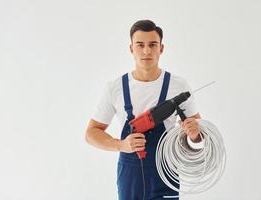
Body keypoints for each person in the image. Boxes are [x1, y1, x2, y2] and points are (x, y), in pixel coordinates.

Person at [85, 19, 202, 200]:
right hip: (129, 175)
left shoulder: (179, 86)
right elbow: (91, 134)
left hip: (166, 172)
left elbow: (198, 135)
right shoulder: (115, 88)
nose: (146, 51)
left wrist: (194, 135)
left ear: (161, 48)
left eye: (152, 45)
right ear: (131, 49)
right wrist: (122, 145)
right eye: (140, 45)